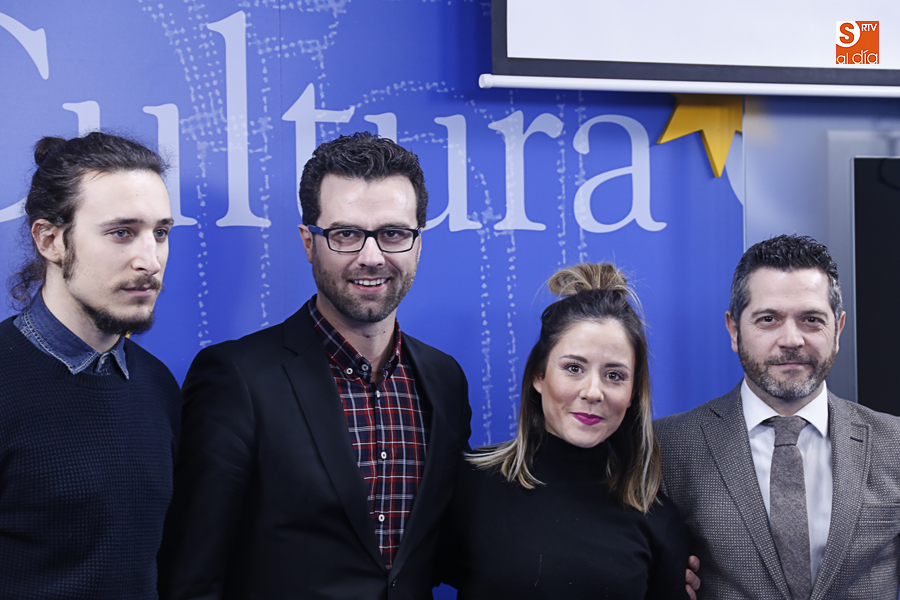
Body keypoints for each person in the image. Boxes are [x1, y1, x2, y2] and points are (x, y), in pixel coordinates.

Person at [157, 132, 472, 600]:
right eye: (346, 234)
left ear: (417, 243)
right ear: (309, 242)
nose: (371, 257)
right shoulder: (235, 379)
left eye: (393, 234)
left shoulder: (444, 379)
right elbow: (191, 577)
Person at [655, 234, 900, 599]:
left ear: (838, 330)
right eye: (768, 319)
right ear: (735, 330)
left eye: (811, 319)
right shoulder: (668, 446)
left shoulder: (895, 445)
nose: (791, 339)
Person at [440, 263, 691, 599]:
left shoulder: (657, 518)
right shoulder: (468, 485)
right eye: (574, 368)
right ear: (538, 376)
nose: (592, 391)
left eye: (614, 375)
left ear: (633, 394)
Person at [0, 132, 180, 598]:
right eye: (122, 232)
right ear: (51, 240)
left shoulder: (158, 386)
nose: (149, 259)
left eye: (160, 233)